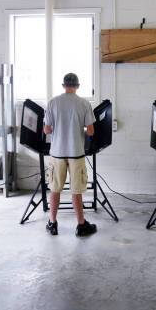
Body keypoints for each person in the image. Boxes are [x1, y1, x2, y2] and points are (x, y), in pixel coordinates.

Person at [43, 73, 97, 237]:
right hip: (76, 153)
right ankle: (81, 225)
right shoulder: (84, 103)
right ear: (77, 86)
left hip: (57, 153)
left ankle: (52, 223)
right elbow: (91, 131)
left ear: (63, 85)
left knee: (55, 189)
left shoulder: (53, 102)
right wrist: (78, 129)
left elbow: (47, 130)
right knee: (76, 191)